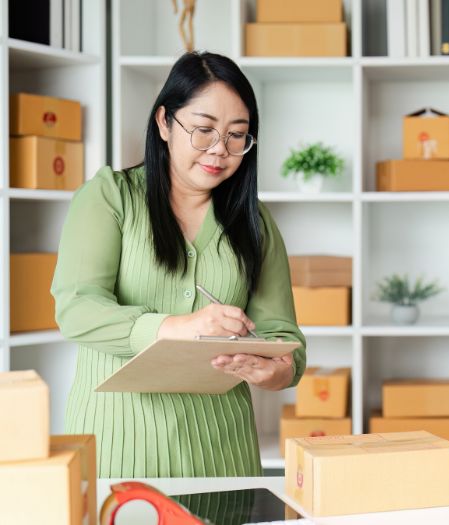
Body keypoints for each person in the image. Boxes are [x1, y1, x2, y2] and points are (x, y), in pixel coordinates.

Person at [51, 51, 306, 478]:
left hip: (224, 457)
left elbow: (285, 340)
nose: (220, 150)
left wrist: (273, 371)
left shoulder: (254, 223)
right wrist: (175, 327)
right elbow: (77, 309)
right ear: (165, 123)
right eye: (204, 130)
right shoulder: (111, 198)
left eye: (236, 136)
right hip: (120, 451)